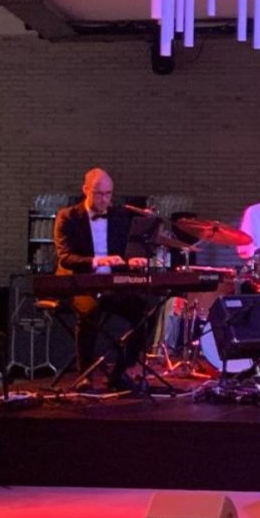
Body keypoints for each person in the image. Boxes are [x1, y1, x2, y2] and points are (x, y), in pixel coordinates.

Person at [52, 168, 150, 392]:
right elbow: (65, 258)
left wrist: (130, 261)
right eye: (99, 194)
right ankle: (85, 374)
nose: (105, 199)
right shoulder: (68, 217)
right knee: (90, 311)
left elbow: (122, 254)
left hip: (110, 284)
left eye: (108, 194)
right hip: (79, 283)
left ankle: (120, 371)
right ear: (85, 190)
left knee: (143, 311)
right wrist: (97, 261)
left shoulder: (118, 216)